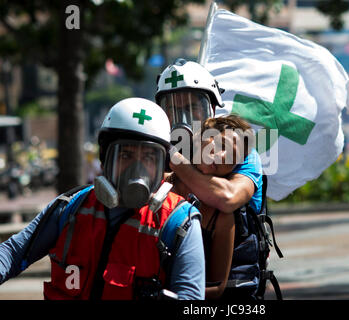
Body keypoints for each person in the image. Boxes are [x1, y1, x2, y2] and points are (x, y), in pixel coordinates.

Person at [0, 98, 205, 300]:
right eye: (125, 155)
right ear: (105, 158)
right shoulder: (71, 206)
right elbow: (13, 252)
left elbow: (191, 298)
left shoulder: (179, 223)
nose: (137, 168)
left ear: (163, 166)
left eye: (149, 158)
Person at [155, 58, 263, 214]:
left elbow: (228, 198)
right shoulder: (158, 150)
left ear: (211, 108)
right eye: (173, 109)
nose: (183, 118)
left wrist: (177, 163)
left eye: (191, 107)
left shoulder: (240, 152)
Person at [167, 115, 255, 299]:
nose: (223, 157)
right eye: (222, 144)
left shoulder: (223, 217)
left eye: (232, 158)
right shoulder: (158, 183)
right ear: (200, 136)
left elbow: (216, 288)